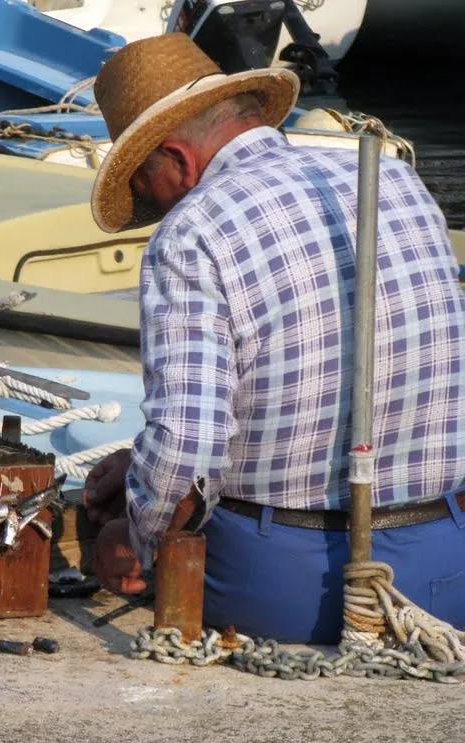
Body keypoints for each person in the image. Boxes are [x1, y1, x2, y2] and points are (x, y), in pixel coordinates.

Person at [83, 33, 465, 643]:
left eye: (143, 184)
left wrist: (135, 536)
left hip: (287, 583)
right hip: (443, 568)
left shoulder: (192, 232)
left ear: (176, 159)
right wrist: (141, 469)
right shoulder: (396, 180)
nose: (150, 202)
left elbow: (188, 441)